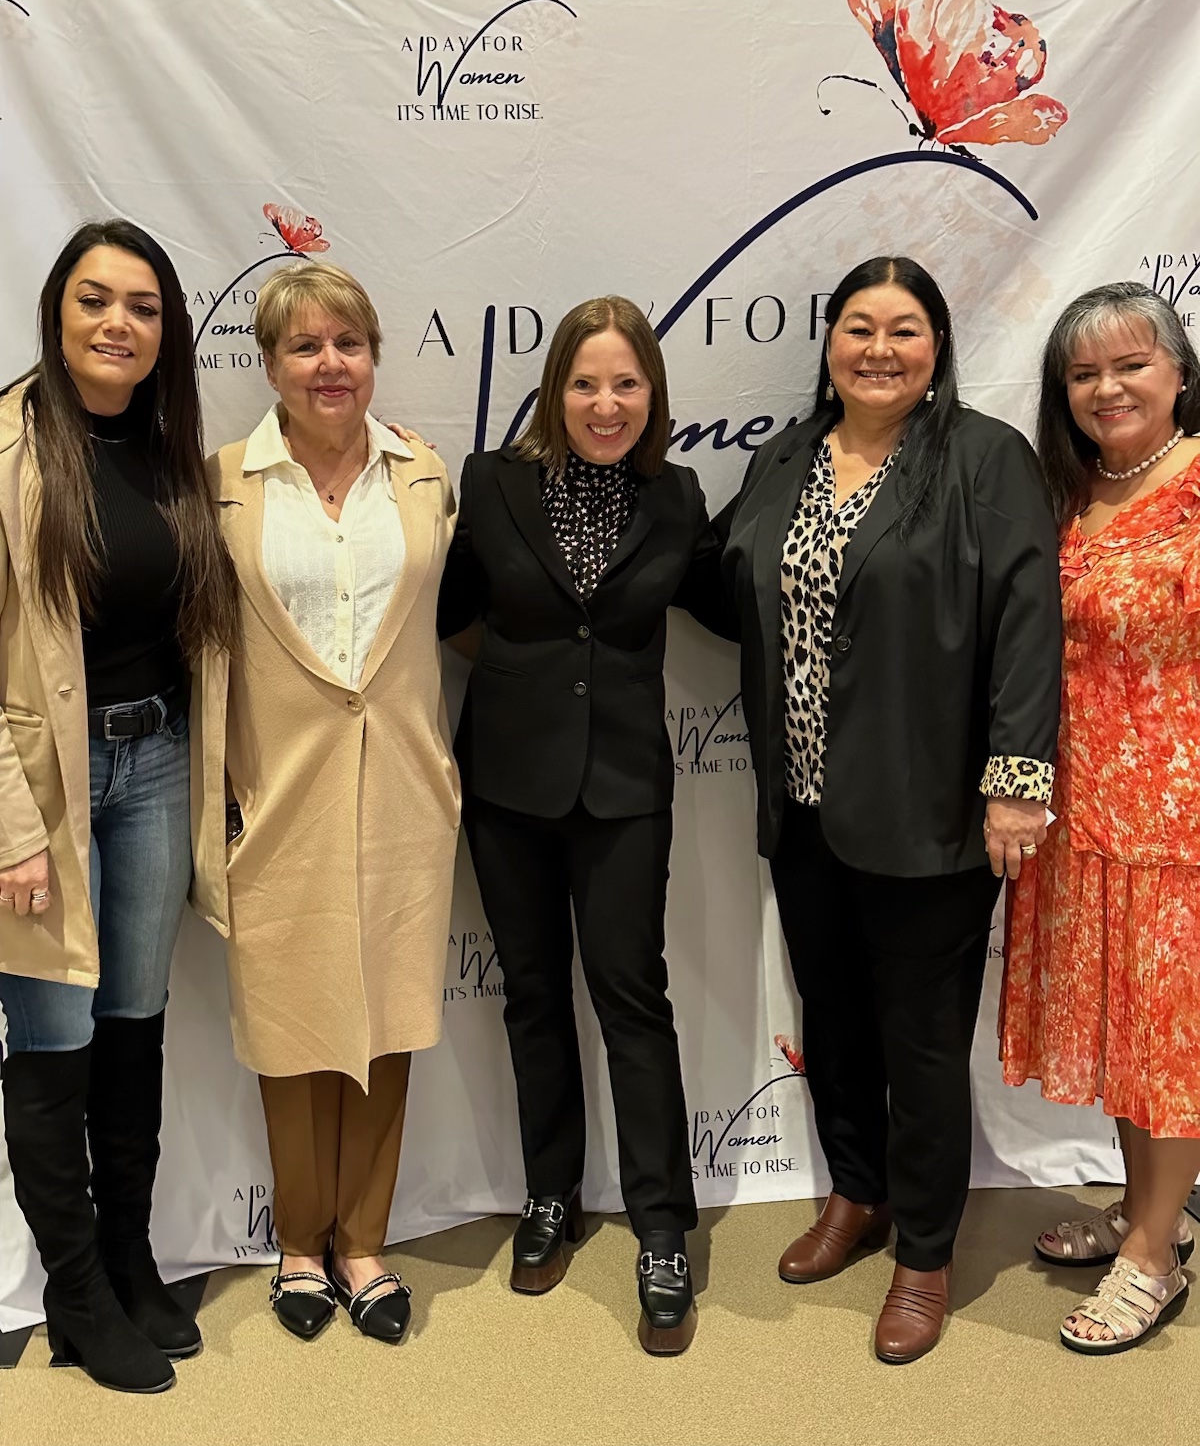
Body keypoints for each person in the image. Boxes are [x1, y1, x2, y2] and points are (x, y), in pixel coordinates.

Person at [707, 256, 1061, 1363]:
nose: (879, 348)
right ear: (829, 344)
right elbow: (717, 575)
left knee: (919, 1037)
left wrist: (1016, 779)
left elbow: (1026, 620)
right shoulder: (784, 460)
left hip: (928, 812)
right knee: (837, 1017)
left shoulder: (982, 459)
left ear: (937, 346)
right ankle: (855, 1194)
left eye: (904, 330)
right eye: (858, 327)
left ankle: (925, 1249)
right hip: (803, 806)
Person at [438, 295, 719, 1356]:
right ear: (556, 391)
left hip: (625, 791)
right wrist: (528, 681)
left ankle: (660, 1229)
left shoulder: (680, 497)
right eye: (586, 383)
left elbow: (729, 603)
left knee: (632, 1002)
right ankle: (549, 1196)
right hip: (508, 787)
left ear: (653, 396)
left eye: (628, 384)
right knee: (532, 999)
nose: (607, 403)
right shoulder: (493, 484)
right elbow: (450, 607)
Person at [194, 261, 459, 1346]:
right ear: (268, 364)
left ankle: (364, 1240)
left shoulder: (425, 476)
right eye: (304, 346)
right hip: (280, 795)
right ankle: (300, 1240)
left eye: (347, 342)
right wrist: (217, 813)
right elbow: (206, 660)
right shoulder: (222, 485)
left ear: (373, 354)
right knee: (292, 1024)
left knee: (389, 1021)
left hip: (402, 793)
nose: (329, 364)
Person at [0, 219, 239, 1394]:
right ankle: (77, 1289)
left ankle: (132, 1251)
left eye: (143, 307)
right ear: (56, 309)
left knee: (135, 1021)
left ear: (167, 332)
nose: (117, 324)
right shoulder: (4, 448)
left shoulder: (168, 448)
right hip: (41, 792)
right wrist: (8, 835)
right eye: (96, 299)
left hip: (153, 772)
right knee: (53, 1040)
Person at [1001, 282, 1200, 1355]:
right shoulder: (1073, 492)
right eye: (1085, 373)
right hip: (1083, 813)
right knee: (1131, 1036)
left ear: (1179, 373)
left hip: (1179, 817)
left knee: (1173, 1039)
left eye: (1132, 364)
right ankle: (1148, 1211)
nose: (1109, 386)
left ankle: (1154, 1256)